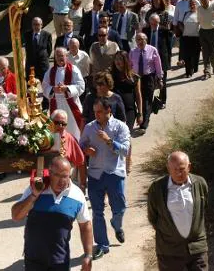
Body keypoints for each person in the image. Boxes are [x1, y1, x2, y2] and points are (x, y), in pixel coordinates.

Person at [11, 156, 93, 271]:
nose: (61, 181)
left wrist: (88, 255)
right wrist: (34, 195)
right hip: (33, 260)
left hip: (60, 261)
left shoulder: (77, 195)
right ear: (49, 173)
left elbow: (85, 225)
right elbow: (16, 216)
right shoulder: (35, 189)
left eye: (65, 176)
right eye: (57, 175)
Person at [79, 97, 131, 260]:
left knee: (120, 208)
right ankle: (102, 245)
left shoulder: (121, 127)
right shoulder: (89, 127)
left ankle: (116, 224)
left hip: (115, 173)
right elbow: (81, 146)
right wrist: (87, 150)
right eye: (95, 112)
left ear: (109, 111)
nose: (97, 115)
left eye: (100, 112)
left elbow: (124, 150)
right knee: (97, 211)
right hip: (95, 174)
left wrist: (109, 141)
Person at [147, 151, 209, 271]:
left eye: (182, 169)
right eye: (174, 169)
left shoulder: (200, 183)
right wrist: (171, 234)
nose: (178, 173)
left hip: (197, 247)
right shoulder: (157, 188)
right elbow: (153, 217)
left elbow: (203, 209)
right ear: (168, 168)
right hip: (169, 250)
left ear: (189, 167)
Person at [43, 47, 86, 141]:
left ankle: (76, 146)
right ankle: (59, 148)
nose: (60, 58)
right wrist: (53, 89)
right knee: (57, 129)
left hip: (70, 104)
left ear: (66, 56)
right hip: (56, 104)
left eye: (62, 56)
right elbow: (45, 87)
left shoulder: (73, 69)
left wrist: (66, 88)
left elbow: (81, 85)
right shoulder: (50, 71)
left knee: (73, 128)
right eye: (57, 56)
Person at [129, 32, 162, 131]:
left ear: (146, 40)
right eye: (138, 39)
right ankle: (141, 117)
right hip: (136, 78)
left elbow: (158, 65)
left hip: (148, 78)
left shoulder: (152, 50)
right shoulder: (132, 52)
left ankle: (144, 124)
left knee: (147, 100)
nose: (140, 41)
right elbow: (129, 65)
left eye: (142, 39)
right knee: (138, 100)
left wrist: (160, 78)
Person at [111, 51, 143, 132]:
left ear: (126, 61)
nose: (117, 62)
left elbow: (138, 96)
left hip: (129, 111)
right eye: (116, 59)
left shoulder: (134, 77)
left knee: (126, 134)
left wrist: (140, 114)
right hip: (114, 111)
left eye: (120, 59)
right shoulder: (110, 76)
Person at [143, 14, 170, 107]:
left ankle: (163, 100)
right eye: (152, 23)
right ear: (149, 23)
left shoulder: (164, 31)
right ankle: (150, 101)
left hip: (162, 59)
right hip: (149, 60)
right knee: (150, 81)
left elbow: (169, 46)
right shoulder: (145, 31)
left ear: (159, 22)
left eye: (156, 23)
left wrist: (168, 61)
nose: (154, 25)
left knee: (162, 80)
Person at [23, 17, 52, 82]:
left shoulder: (47, 35)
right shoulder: (27, 34)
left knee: (46, 85)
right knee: (30, 86)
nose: (36, 26)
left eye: (38, 24)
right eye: (34, 24)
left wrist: (43, 57)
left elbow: (49, 50)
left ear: (41, 25)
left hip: (43, 64)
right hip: (30, 65)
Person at [179, 0, 201, 78]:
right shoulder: (186, 13)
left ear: (196, 5)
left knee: (194, 55)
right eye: (190, 4)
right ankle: (188, 72)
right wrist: (183, 30)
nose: (192, 6)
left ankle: (194, 68)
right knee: (187, 55)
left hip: (196, 37)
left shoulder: (199, 13)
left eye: (194, 4)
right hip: (186, 37)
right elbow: (180, 22)